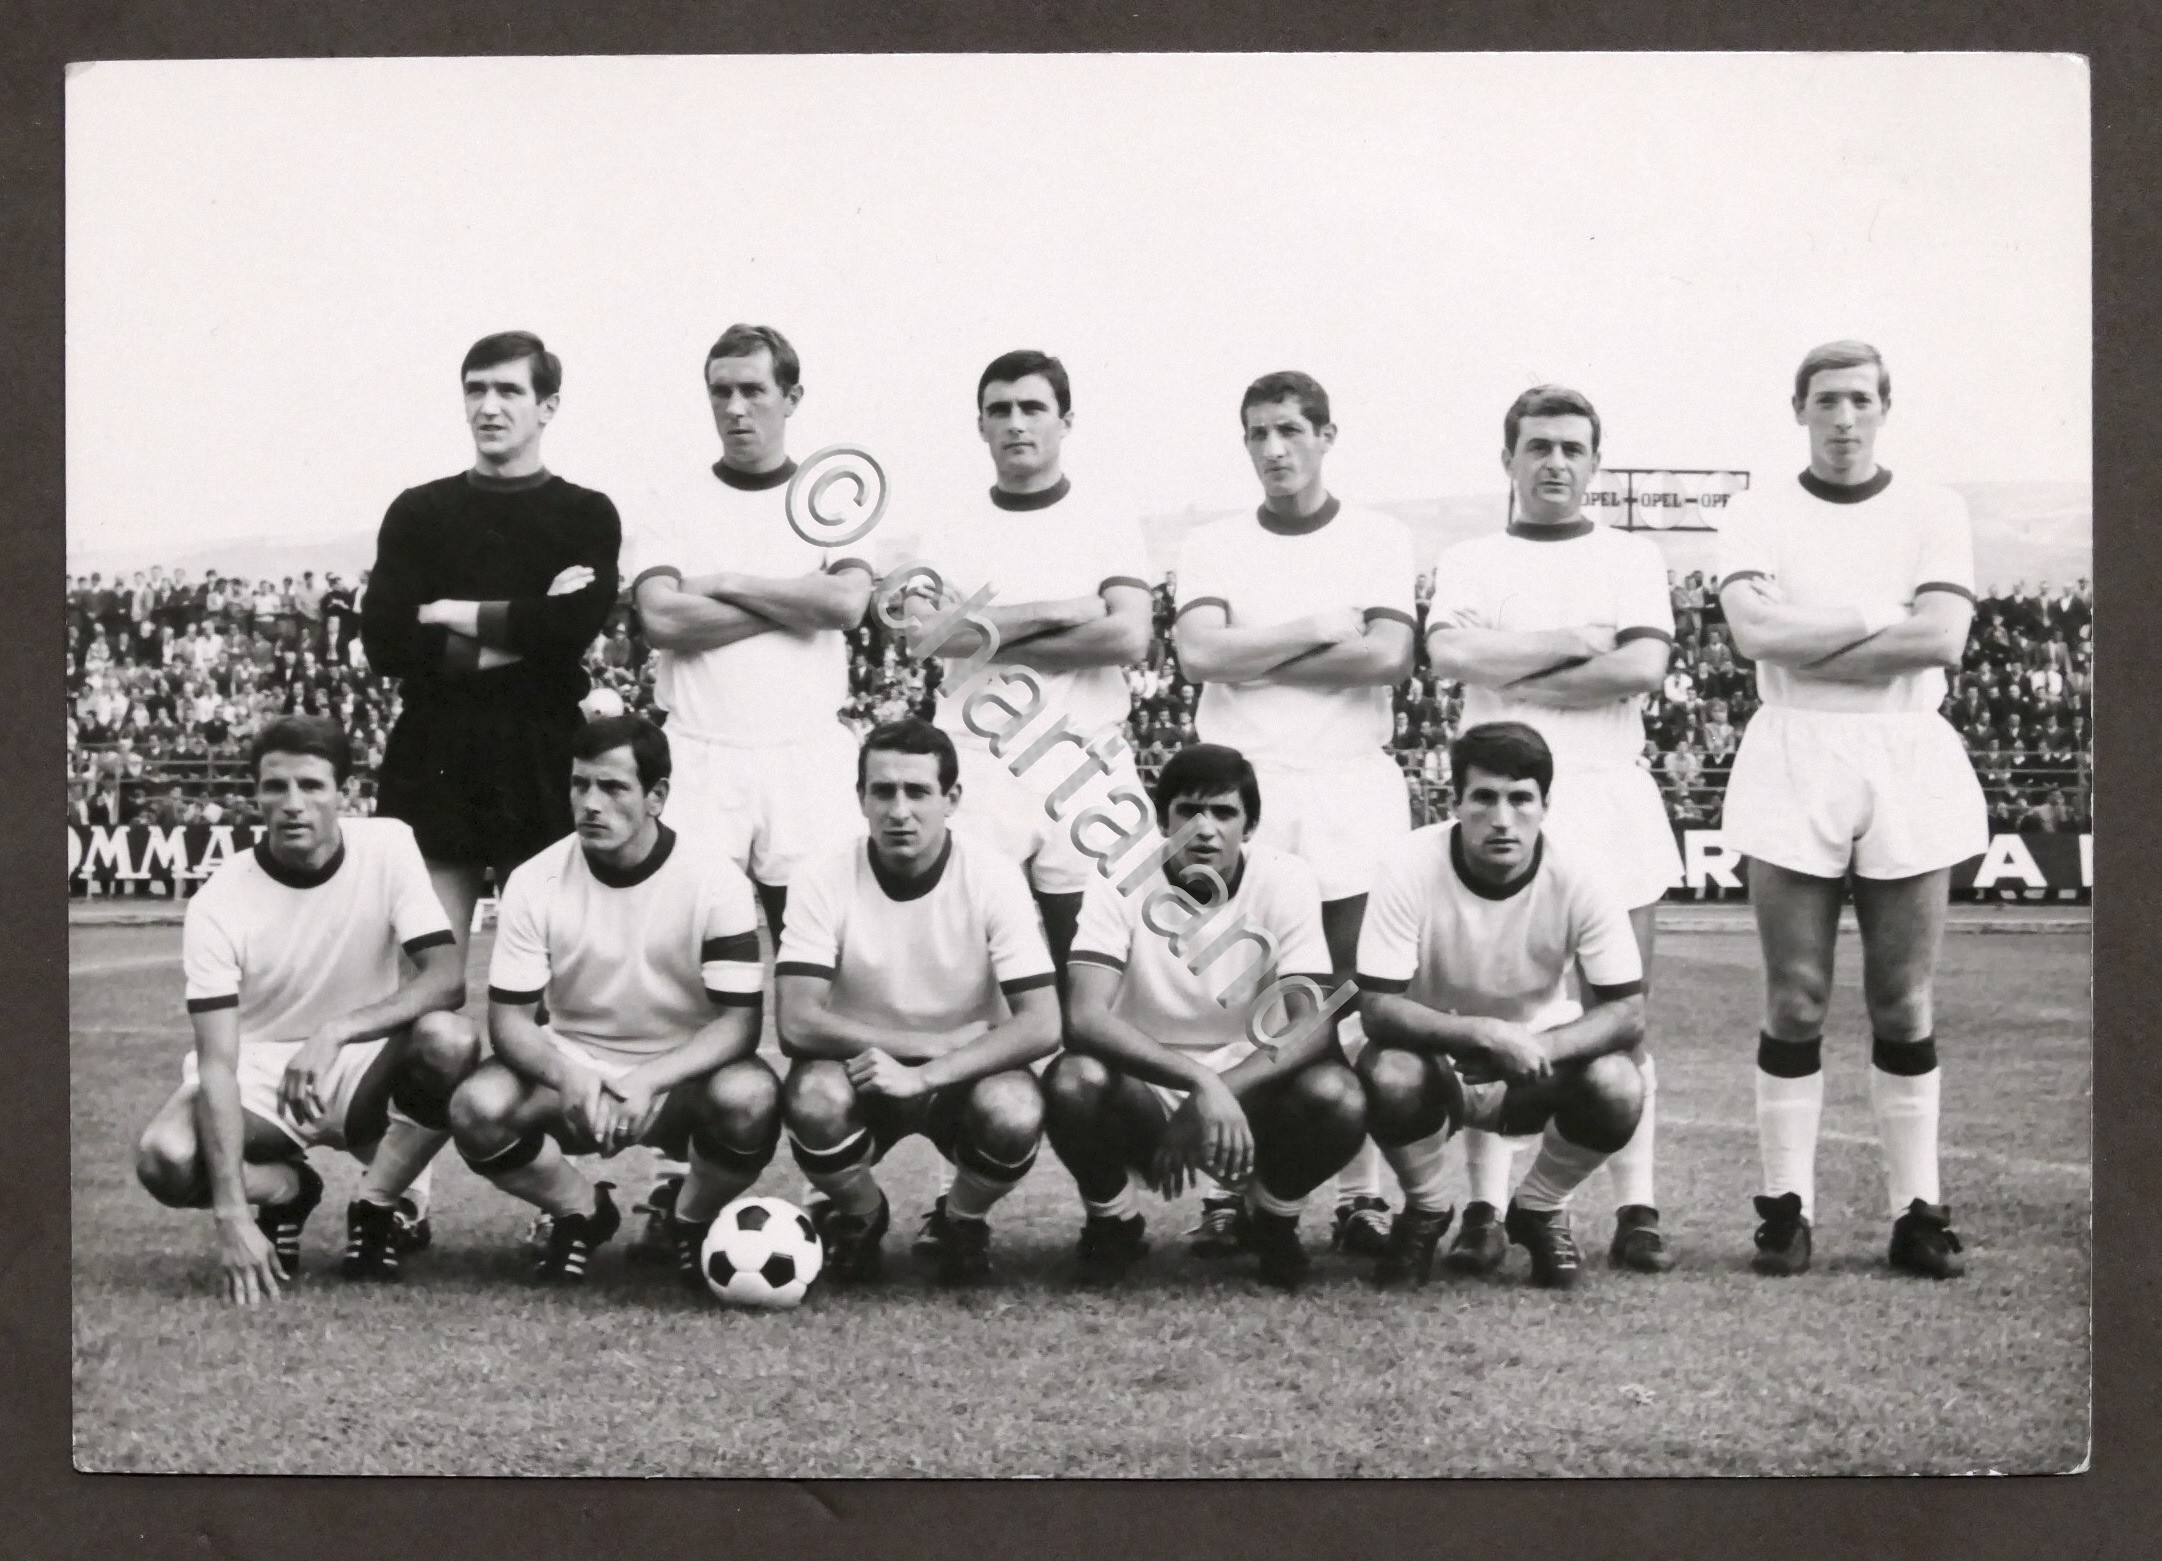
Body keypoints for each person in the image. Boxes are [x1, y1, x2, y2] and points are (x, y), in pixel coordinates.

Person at [1717, 340, 1984, 1279]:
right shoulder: (1757, 509)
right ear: (1799, 408)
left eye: (1859, 400)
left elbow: (1942, 635)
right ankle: (1786, 1209)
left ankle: (1918, 1211)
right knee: (1795, 997)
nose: (1842, 418)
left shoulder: (1932, 508)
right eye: (1825, 400)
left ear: (1884, 407)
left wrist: (1814, 634)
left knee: (1901, 997)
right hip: (1794, 746)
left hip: (1904, 753)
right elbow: (1754, 632)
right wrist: (1882, 619)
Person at [621, 323, 877, 1257]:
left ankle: (842, 1189)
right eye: (721, 391)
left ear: (791, 397)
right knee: (688, 979)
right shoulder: (672, 498)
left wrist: (722, 583)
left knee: (819, 977)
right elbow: (659, 617)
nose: (736, 408)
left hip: (806, 758)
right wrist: (784, 596)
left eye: (753, 391)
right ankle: (669, 1184)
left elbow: (845, 604)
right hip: (700, 757)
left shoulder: (832, 499)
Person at [1423, 386, 1680, 1275]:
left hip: (1610, 794)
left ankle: (1634, 1205)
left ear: (1596, 461)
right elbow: (1452, 655)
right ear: (1509, 460)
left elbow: (1642, 666)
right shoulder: (1471, 556)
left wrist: (1516, 661)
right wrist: (1575, 642)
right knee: (1494, 1010)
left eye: (1573, 447)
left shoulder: (1632, 556)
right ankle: (1487, 1209)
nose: (1556, 463)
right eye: (1538, 447)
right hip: (1505, 794)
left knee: (1620, 1018)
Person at [1172, 370, 1417, 1258]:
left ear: (1325, 434)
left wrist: (1253, 654)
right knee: (1242, 991)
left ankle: (1360, 1193)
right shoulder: (1213, 544)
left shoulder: (1380, 537)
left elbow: (1387, 657)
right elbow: (1200, 650)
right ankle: (1225, 1191)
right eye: (1256, 434)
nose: (1273, 449)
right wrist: (1317, 627)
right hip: (1250, 783)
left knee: (1352, 995)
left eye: (1288, 430)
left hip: (1350, 782)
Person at [132, 717, 480, 1303]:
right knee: (163, 1158)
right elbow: (218, 1064)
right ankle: (286, 1190)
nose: (293, 805)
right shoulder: (218, 902)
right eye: (276, 787)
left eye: (312, 786)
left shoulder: (388, 844)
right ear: (256, 795)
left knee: (450, 1040)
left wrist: (336, 1032)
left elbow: (446, 979)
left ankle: (381, 1205)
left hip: (358, 1062)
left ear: (344, 794)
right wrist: (232, 1216)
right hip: (260, 1077)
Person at [447, 716, 776, 1284]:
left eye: (613, 787)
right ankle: (580, 1210)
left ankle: (688, 1216)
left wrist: (651, 1079)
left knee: (750, 1097)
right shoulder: (535, 880)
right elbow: (510, 1023)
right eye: (580, 785)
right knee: (477, 1108)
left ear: (657, 797)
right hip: (576, 1066)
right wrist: (568, 1074)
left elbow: (738, 1026)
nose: (590, 804)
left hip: (680, 1074)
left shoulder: (715, 881)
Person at [1048, 744, 1369, 1288]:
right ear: (1161, 820)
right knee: (1073, 1080)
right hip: (1149, 1084)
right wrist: (1198, 1083)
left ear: (1249, 825)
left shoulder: (1286, 878)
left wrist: (1222, 1087)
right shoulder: (1116, 876)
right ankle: (1115, 1222)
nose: (1204, 828)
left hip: (1252, 1088)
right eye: (1188, 811)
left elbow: (1310, 1024)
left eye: (1223, 813)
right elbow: (1084, 1015)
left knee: (1340, 1096)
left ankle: (1273, 1219)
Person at [360, 330, 623, 969]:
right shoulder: (419, 511)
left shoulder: (586, 513)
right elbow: (388, 642)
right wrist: (531, 623)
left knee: (547, 988)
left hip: (538, 755)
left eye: (509, 390)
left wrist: (449, 612)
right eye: (476, 389)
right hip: (434, 752)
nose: (490, 406)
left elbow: (573, 631)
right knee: (427, 991)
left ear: (548, 406)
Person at [1352, 722, 1647, 1290]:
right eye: (1484, 797)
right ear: (1454, 802)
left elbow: (1627, 1012)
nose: (1503, 818)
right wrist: (1482, 1035)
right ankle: (1427, 1209)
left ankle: (1537, 1208)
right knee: (1388, 1070)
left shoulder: (1582, 871)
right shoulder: (1409, 861)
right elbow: (1378, 1008)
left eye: (1520, 799)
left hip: (1532, 1063)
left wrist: (1533, 1045)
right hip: (1433, 1057)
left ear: (1545, 805)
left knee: (1618, 1083)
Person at [774, 720, 1062, 1285]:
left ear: (951, 799)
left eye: (918, 792)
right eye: (882, 791)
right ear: (860, 798)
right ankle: (860, 1216)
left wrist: (929, 1074)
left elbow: (1043, 1023)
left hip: (964, 1079)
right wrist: (926, 1046)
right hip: (864, 1073)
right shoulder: (819, 875)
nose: (898, 811)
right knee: (813, 1097)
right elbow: (796, 1022)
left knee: (1016, 1109)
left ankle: (959, 1220)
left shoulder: (994, 876)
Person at [912, 349, 1154, 979]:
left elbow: (1128, 638)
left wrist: (979, 633)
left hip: (1086, 757)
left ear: (1065, 420)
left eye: (1032, 408)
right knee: (976, 967)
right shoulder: (949, 525)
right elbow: (922, 636)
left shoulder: (1106, 515)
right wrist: (1065, 610)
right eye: (1000, 410)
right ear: (980, 425)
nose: (1016, 422)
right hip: (977, 753)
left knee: (1094, 967)